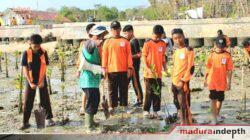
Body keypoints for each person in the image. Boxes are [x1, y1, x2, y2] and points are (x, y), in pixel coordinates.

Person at [20, 34, 55, 130]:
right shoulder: (26, 53)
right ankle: (25, 122)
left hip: (41, 79)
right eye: (35, 46)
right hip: (30, 80)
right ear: (30, 43)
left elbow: (44, 67)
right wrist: (30, 82)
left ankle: (49, 119)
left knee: (45, 99)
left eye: (38, 46)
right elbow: (25, 68)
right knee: (28, 101)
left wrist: (42, 81)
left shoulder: (43, 52)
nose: (37, 48)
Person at [78, 25, 108, 130]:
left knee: (95, 100)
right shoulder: (89, 44)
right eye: (99, 36)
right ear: (93, 36)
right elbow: (91, 44)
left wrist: (102, 70)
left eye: (102, 36)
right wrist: (95, 41)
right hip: (88, 80)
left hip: (93, 80)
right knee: (92, 101)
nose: (101, 39)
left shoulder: (96, 46)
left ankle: (91, 121)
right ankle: (89, 127)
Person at [102, 21, 133, 114]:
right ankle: (112, 106)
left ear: (120, 29)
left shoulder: (126, 41)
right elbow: (104, 56)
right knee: (112, 90)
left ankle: (125, 106)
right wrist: (104, 68)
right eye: (114, 29)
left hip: (123, 70)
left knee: (124, 89)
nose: (116, 30)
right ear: (111, 30)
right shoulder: (107, 42)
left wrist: (130, 68)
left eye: (117, 28)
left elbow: (129, 55)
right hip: (111, 70)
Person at [204, 36, 233, 125]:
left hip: (222, 81)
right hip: (212, 80)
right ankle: (214, 117)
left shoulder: (227, 55)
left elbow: (229, 70)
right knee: (213, 99)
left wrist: (229, 83)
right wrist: (205, 79)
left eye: (222, 46)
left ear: (225, 46)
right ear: (215, 45)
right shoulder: (211, 55)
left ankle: (217, 115)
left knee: (220, 98)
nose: (220, 48)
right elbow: (207, 68)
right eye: (218, 46)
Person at [141, 25, 167, 120]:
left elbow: (163, 57)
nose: (158, 38)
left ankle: (156, 111)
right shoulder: (147, 43)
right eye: (156, 36)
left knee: (157, 92)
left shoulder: (163, 44)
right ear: (152, 34)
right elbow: (144, 57)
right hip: (148, 74)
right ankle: (146, 110)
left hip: (158, 73)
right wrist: (147, 68)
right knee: (148, 92)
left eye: (159, 36)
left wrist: (165, 68)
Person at [171, 28, 194, 125]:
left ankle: (188, 127)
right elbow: (176, 67)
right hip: (174, 81)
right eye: (175, 39)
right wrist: (173, 81)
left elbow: (191, 68)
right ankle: (182, 122)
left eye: (179, 37)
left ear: (183, 36)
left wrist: (183, 80)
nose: (177, 40)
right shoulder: (176, 51)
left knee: (184, 105)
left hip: (182, 82)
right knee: (177, 103)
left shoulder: (188, 50)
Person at [77, 23, 96, 116]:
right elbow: (80, 58)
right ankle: (83, 107)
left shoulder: (97, 43)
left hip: (96, 70)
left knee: (94, 89)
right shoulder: (84, 43)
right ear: (88, 32)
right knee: (86, 90)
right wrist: (78, 70)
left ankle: (90, 106)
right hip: (86, 69)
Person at [123, 25, 143, 108]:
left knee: (136, 83)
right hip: (129, 66)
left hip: (134, 66)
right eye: (124, 34)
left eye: (126, 33)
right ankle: (124, 100)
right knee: (126, 83)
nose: (125, 35)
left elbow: (139, 54)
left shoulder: (134, 41)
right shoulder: (129, 41)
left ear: (131, 32)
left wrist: (129, 56)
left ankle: (140, 100)